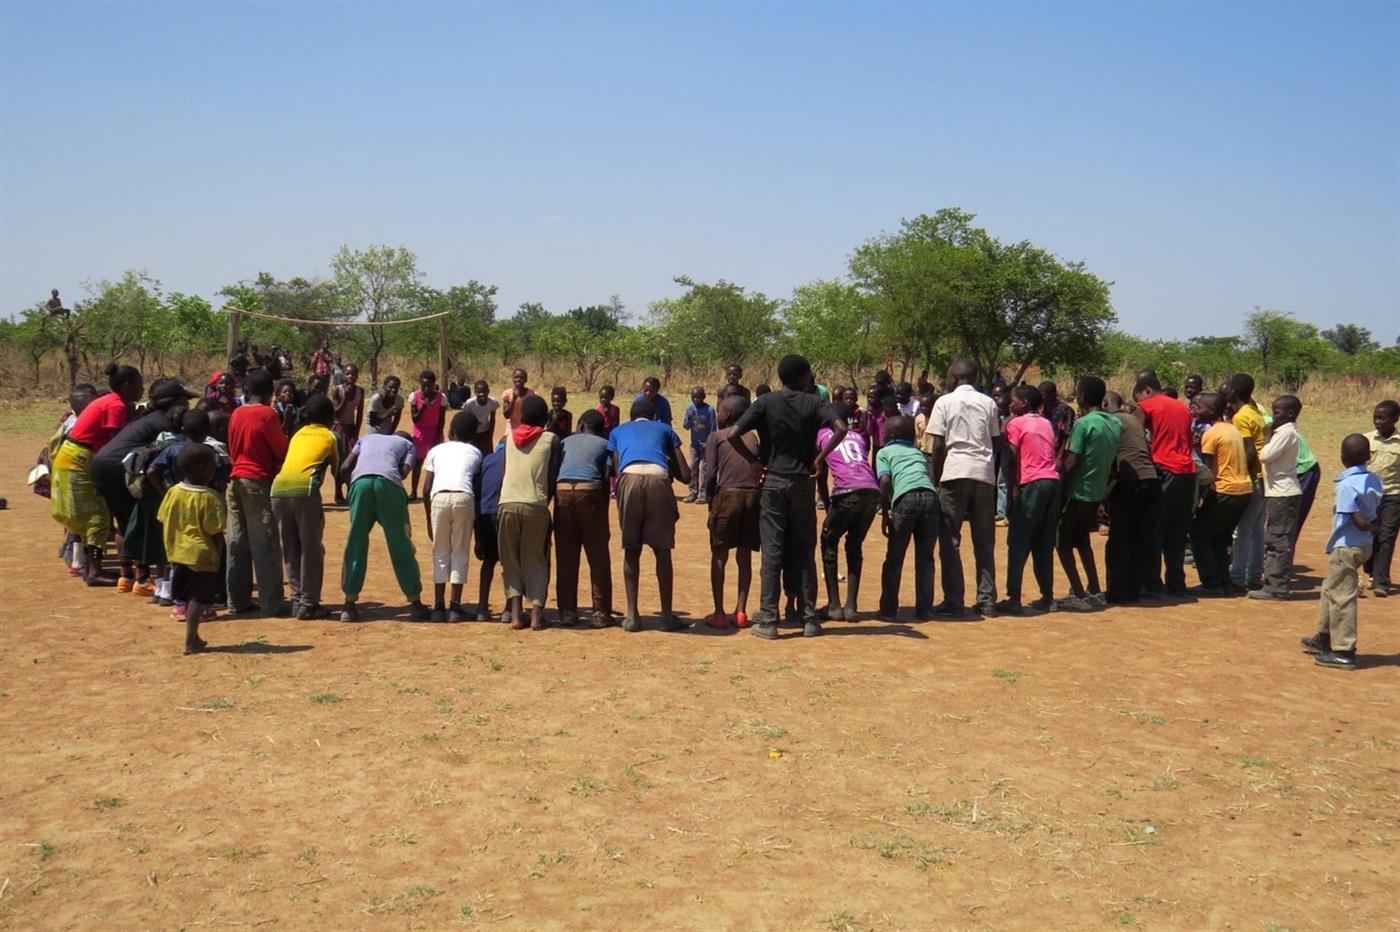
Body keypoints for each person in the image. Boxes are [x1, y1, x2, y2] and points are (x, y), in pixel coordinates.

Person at [729, 354, 846, 639]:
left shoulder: (766, 402)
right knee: (805, 550)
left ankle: (769, 619)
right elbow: (841, 428)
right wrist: (819, 458)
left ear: (781, 378)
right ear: (805, 377)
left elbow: (733, 433)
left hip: (772, 481)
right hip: (802, 483)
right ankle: (809, 619)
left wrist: (755, 462)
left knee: (773, 550)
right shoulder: (814, 402)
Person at [52, 365, 145, 586]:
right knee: (98, 516)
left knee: (91, 515)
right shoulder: (116, 405)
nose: (142, 391)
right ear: (127, 386)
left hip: (74, 456)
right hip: (79, 459)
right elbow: (118, 443)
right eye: (140, 386)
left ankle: (90, 567)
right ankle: (94, 571)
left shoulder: (112, 402)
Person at [1301, 435, 1383, 669]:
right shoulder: (1373, 479)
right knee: (1331, 588)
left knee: (1342, 597)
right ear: (1368, 457)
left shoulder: (1346, 484)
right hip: (1364, 544)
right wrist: (1374, 528)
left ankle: (1343, 651)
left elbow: (1353, 516)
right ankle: (1324, 637)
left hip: (1347, 545)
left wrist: (1367, 525)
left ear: (1342, 457)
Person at [926, 360, 1001, 617]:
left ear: (955, 377)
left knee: (950, 540)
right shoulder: (989, 403)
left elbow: (937, 447)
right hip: (984, 475)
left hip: (955, 472)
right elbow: (996, 441)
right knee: (984, 541)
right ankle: (987, 600)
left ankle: (953, 600)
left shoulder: (944, 403)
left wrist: (935, 480)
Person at [608, 398, 690, 631]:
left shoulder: (618, 431)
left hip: (629, 478)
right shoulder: (665, 429)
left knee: (631, 550)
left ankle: (633, 616)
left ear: (630, 417)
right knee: (662, 552)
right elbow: (685, 474)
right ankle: (666, 616)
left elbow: (617, 469)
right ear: (654, 417)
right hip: (658, 479)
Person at [340, 429, 428, 621]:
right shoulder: (408, 445)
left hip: (359, 485)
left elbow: (345, 467)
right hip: (388, 486)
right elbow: (404, 473)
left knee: (355, 543)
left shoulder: (366, 438)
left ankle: (349, 604)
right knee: (400, 544)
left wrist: (352, 489)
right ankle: (415, 602)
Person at [269, 394, 339, 620]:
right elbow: (340, 470)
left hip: (278, 489)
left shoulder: (298, 433)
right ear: (331, 417)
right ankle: (309, 604)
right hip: (305, 491)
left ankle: (297, 599)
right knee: (311, 549)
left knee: (290, 547)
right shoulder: (331, 436)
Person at [225, 368, 289, 616]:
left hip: (235, 480)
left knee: (237, 542)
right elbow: (280, 449)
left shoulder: (236, 413)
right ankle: (271, 603)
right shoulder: (267, 414)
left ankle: (237, 600)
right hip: (257, 481)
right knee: (265, 543)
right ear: (268, 393)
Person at [1056, 377, 1120, 610]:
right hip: (1097, 491)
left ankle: (1079, 594)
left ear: (1081, 397)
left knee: (1063, 542)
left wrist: (1060, 491)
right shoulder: (1114, 423)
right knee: (1083, 540)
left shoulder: (1084, 424)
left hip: (1078, 491)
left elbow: (1072, 461)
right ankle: (1094, 588)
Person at [1132, 375, 1199, 599]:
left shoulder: (1146, 406)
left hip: (1164, 469)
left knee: (1153, 528)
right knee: (1177, 530)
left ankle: (1152, 584)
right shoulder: (1182, 407)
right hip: (1187, 471)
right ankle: (1177, 584)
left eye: (1138, 396)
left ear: (1146, 390)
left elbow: (1137, 437)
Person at [497, 395, 560, 630]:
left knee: (510, 560)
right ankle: (535, 616)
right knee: (536, 559)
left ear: (521, 416)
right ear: (545, 418)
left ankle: (515, 615)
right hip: (535, 504)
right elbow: (552, 477)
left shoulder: (508, 439)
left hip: (507, 503)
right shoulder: (551, 439)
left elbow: (505, 473)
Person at [997, 384, 1060, 615]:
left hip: (1031, 484)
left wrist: (1012, 493)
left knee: (1018, 540)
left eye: (1013, 400)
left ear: (1024, 402)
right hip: (1052, 483)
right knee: (1044, 542)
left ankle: (1014, 597)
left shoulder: (1016, 423)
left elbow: (1011, 458)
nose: (1009, 404)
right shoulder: (1045, 422)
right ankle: (1048, 596)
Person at [158, 443, 226, 654]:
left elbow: (162, 517)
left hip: (178, 552)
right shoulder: (209, 498)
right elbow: (215, 530)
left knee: (186, 595)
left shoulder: (172, 492)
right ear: (200, 469)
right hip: (201, 555)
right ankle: (191, 640)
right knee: (198, 597)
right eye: (211, 466)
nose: (214, 470)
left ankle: (194, 636)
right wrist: (219, 554)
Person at [703, 396, 761, 629]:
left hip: (727, 495)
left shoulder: (717, 436)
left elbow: (710, 473)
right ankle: (741, 612)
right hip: (752, 496)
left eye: (720, 410)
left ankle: (718, 613)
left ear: (727, 414)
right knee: (744, 555)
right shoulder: (752, 436)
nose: (718, 414)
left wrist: (709, 500)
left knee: (719, 555)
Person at [820, 402, 881, 620]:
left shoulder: (823, 434)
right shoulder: (859, 437)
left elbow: (819, 473)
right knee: (854, 545)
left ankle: (834, 606)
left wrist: (827, 503)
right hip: (872, 492)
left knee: (828, 541)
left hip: (846, 492)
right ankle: (851, 607)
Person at [1188, 392, 1253, 597]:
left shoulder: (1212, 433)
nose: (1195, 411)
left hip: (1225, 489)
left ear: (1212, 411)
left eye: (1200, 408)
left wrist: (1199, 499)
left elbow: (1206, 471)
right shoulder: (1231, 429)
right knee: (1220, 537)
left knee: (1199, 534)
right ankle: (1224, 581)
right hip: (1244, 490)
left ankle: (1211, 583)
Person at [421, 410, 483, 622]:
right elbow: (476, 483)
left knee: (440, 551)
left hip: (439, 498)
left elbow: (426, 488)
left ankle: (438, 607)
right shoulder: (475, 452)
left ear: (451, 430)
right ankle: (455, 607)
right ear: (473, 434)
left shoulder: (436, 450)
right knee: (460, 550)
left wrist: (429, 519)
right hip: (464, 497)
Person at [554, 409, 613, 627]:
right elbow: (606, 477)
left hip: (562, 491)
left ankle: (567, 612)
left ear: (580, 426)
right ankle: (601, 613)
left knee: (566, 556)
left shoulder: (566, 442)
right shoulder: (604, 444)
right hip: (590, 491)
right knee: (597, 555)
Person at [876, 414, 938, 620]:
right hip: (930, 498)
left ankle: (888, 609)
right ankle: (924, 609)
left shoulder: (884, 452)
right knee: (925, 558)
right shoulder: (916, 452)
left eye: (884, 432)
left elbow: (885, 481)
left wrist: (885, 513)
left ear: (890, 435)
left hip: (905, 500)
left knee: (894, 556)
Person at [1103, 392, 1161, 604]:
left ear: (1105, 403)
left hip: (1131, 484)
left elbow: (1108, 458)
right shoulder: (1134, 421)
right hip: (1151, 480)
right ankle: (1134, 590)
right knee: (1139, 539)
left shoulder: (1111, 421)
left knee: (1119, 541)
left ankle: (1117, 593)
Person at [1249, 395, 1304, 601]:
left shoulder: (1286, 432)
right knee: (1274, 537)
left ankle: (1277, 586)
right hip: (1278, 491)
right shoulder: (1283, 431)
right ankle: (1274, 584)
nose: (1273, 415)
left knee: (1278, 539)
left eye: (1277, 412)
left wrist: (1267, 435)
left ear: (1290, 414)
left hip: (1284, 492)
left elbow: (1265, 455)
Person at [1224, 372, 1267, 591]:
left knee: (1244, 530)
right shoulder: (1255, 411)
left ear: (1232, 391)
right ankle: (1254, 576)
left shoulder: (1241, 416)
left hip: (1254, 478)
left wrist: (1243, 477)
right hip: (1264, 477)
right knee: (1257, 530)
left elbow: (1249, 451)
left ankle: (1238, 578)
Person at [1364, 400, 1399, 596]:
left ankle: (1381, 582)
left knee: (1387, 536)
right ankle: (1370, 571)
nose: (1377, 421)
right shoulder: (1366, 439)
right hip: (1369, 497)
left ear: (1395, 419)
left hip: (1393, 495)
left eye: (1382, 418)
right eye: (1375, 417)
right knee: (1369, 535)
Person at [474, 438, 507, 622]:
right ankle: (509, 608)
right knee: (510, 562)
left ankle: (481, 607)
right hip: (504, 512)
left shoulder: (486, 460)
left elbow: (477, 493)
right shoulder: (514, 458)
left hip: (485, 513)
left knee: (488, 561)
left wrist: (477, 536)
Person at [408, 371, 446, 501]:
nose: (426, 388)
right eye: (423, 386)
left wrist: (438, 435)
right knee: (418, 462)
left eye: (429, 386)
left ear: (434, 384)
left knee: (436, 463)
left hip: (435, 431)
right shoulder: (415, 396)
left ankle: (434, 490)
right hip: (420, 432)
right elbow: (415, 419)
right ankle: (413, 491)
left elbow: (441, 419)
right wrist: (424, 406)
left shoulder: (441, 398)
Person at [330, 363, 365, 505]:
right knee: (338, 461)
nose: (351, 377)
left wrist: (356, 432)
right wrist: (345, 399)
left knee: (352, 460)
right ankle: (338, 491)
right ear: (342, 375)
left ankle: (351, 490)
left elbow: (360, 413)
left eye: (354, 374)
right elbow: (335, 412)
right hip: (338, 427)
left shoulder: (360, 391)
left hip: (351, 428)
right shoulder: (337, 390)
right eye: (348, 374)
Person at [682, 386, 716, 504]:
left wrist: (710, 443)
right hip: (695, 444)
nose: (696, 400)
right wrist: (689, 417)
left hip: (706, 444)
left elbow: (713, 428)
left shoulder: (710, 410)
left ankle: (703, 493)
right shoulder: (690, 409)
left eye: (698, 397)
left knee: (704, 469)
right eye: (693, 397)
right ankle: (693, 491)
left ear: (704, 397)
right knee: (693, 467)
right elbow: (686, 426)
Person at [463, 380, 499, 456]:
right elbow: (465, 419)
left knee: (487, 454)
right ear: (475, 392)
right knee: (472, 454)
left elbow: (492, 419)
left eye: (484, 391)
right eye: (479, 392)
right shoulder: (469, 403)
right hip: (472, 434)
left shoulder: (492, 402)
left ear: (488, 391)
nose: (482, 394)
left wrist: (490, 436)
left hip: (485, 433)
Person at [1040, 380, 1076, 451]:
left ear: (1053, 394)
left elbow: (1067, 435)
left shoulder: (1065, 410)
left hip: (1057, 449)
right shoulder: (1040, 409)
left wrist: (1060, 456)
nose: (1041, 397)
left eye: (1043, 395)